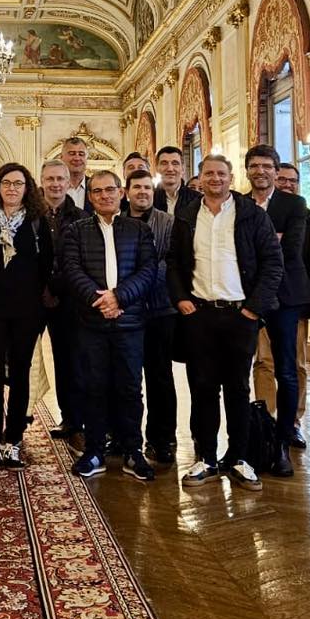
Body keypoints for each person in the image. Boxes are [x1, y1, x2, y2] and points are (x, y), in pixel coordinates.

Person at [167, 154, 282, 491]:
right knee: (202, 388)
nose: (215, 179)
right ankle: (206, 458)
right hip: (199, 314)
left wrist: (253, 309)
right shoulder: (186, 216)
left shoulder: (251, 215)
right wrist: (181, 299)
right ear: (199, 179)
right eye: (208, 174)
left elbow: (273, 264)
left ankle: (240, 458)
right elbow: (173, 262)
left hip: (240, 315)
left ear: (231, 178)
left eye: (221, 173)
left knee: (238, 388)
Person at [62, 170, 158, 481]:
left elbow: (148, 270)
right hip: (91, 323)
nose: (104, 195)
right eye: (97, 191)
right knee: (93, 387)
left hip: (130, 322)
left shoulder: (139, 230)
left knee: (130, 388)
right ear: (90, 197)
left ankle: (133, 451)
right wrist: (99, 300)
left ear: (121, 193)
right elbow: (71, 269)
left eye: (110, 190)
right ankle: (94, 452)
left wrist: (119, 298)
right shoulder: (76, 231)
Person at [0, 163, 53, 469]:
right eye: (6, 183)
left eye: (18, 183)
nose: (12, 188)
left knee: (19, 374)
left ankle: (14, 440)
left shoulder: (38, 223)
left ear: (27, 188)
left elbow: (46, 269)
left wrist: (39, 309)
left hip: (27, 311)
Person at [243, 145, 310, 477]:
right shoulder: (238, 204)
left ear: (275, 170)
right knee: (247, 368)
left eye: (267, 166)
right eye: (254, 165)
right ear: (247, 171)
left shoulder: (294, 204)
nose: (261, 171)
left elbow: (291, 247)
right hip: (245, 297)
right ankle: (250, 436)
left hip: (286, 297)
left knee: (286, 370)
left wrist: (260, 242)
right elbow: (236, 251)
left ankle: (283, 441)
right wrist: (272, 236)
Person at [125, 169, 181, 466]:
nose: (142, 192)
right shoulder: (118, 221)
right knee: (127, 378)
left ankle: (163, 439)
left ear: (152, 190)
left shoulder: (168, 223)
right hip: (127, 312)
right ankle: (127, 437)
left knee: (160, 376)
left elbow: (169, 264)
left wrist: (133, 284)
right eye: (137, 187)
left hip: (161, 310)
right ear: (128, 191)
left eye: (147, 187)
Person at [272, 162, 310, 447]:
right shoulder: (253, 209)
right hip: (259, 298)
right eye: (282, 179)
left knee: (296, 363)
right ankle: (267, 416)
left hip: (293, 300)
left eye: (293, 180)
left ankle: (294, 421)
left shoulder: (308, 216)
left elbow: (307, 258)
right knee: (263, 363)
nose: (288, 184)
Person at [41, 159, 86, 444]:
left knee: (70, 360)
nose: (55, 184)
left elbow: (80, 260)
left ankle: (73, 419)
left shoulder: (81, 217)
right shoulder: (32, 215)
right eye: (50, 179)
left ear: (69, 182)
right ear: (42, 182)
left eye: (60, 179)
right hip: (35, 296)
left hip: (69, 300)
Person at [153, 145, 199, 215]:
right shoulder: (150, 198)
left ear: (183, 169)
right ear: (157, 168)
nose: (170, 169)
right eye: (164, 163)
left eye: (175, 163)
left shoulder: (197, 199)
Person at [62, 137, 93, 213]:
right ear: (61, 157)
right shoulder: (55, 187)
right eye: (72, 154)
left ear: (86, 158)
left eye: (81, 154)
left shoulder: (95, 186)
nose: (77, 158)